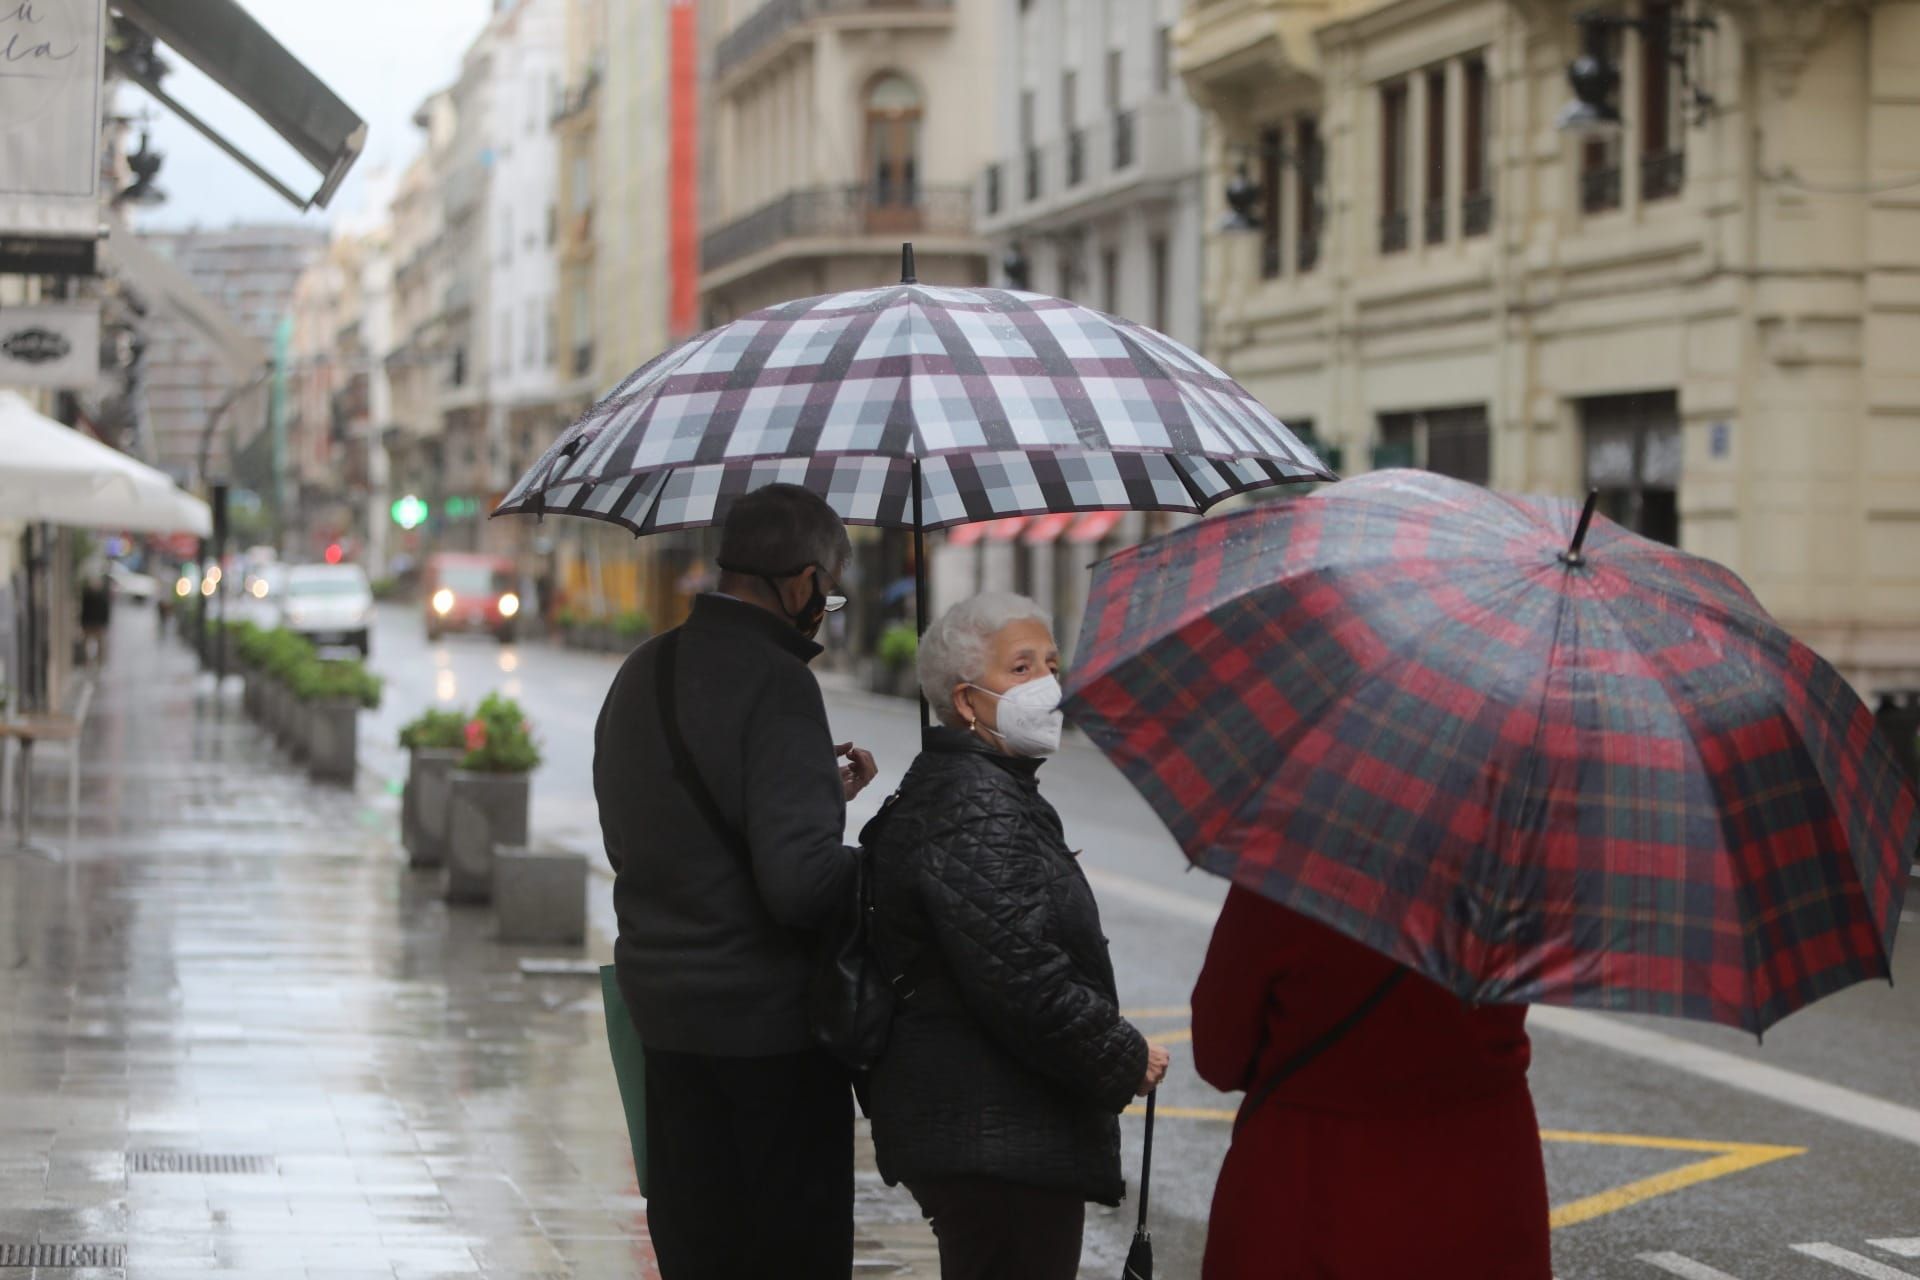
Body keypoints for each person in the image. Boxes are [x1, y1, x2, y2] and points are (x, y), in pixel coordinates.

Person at [592, 483, 881, 1279]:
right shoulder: (781, 685)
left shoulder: (641, 672)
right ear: (803, 583)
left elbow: (642, 828)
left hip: (663, 1021)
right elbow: (800, 886)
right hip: (769, 1041)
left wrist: (812, 797)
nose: (826, 606)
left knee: (699, 1250)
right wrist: (873, 864)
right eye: (830, 588)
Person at [866, 591, 1170, 1280]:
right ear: (966, 701)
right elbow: (1021, 974)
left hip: (988, 1130)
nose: (1046, 686)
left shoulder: (984, 788)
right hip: (995, 1135)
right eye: (1021, 668)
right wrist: (1122, 1055)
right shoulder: (977, 802)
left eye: (1052, 665)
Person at [1191, 888, 1552, 1278]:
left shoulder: (1299, 866)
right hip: (1487, 1182)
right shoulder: (1515, 873)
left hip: (1310, 1183)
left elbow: (1219, 1055)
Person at [79, 572, 111, 666]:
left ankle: (98, 663)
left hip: (98, 624)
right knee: (86, 645)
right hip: (88, 623)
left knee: (100, 645)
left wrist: (105, 623)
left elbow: (105, 610)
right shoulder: (87, 595)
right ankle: (87, 662)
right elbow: (84, 609)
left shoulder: (102, 596)